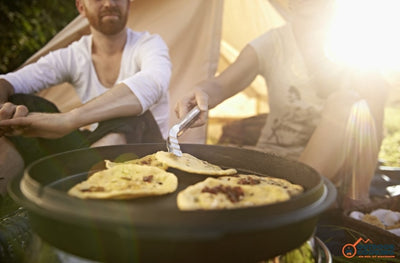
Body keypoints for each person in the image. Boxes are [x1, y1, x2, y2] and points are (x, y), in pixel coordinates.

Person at [175, 0, 389, 208]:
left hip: (333, 170)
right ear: (292, 5)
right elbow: (222, 85)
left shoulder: (354, 47)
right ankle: (299, 198)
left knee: (348, 101)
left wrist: (358, 192)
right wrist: (202, 93)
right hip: (276, 163)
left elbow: (373, 120)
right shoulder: (273, 44)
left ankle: (314, 197)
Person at [0, 0, 171, 195]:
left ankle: (81, 190)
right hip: (94, 153)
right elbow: (10, 81)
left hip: (148, 154)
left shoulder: (149, 44)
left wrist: (69, 119)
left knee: (133, 114)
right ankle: (14, 205)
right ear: (81, 8)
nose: (108, 3)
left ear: (128, 5)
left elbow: (154, 82)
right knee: (22, 102)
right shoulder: (73, 55)